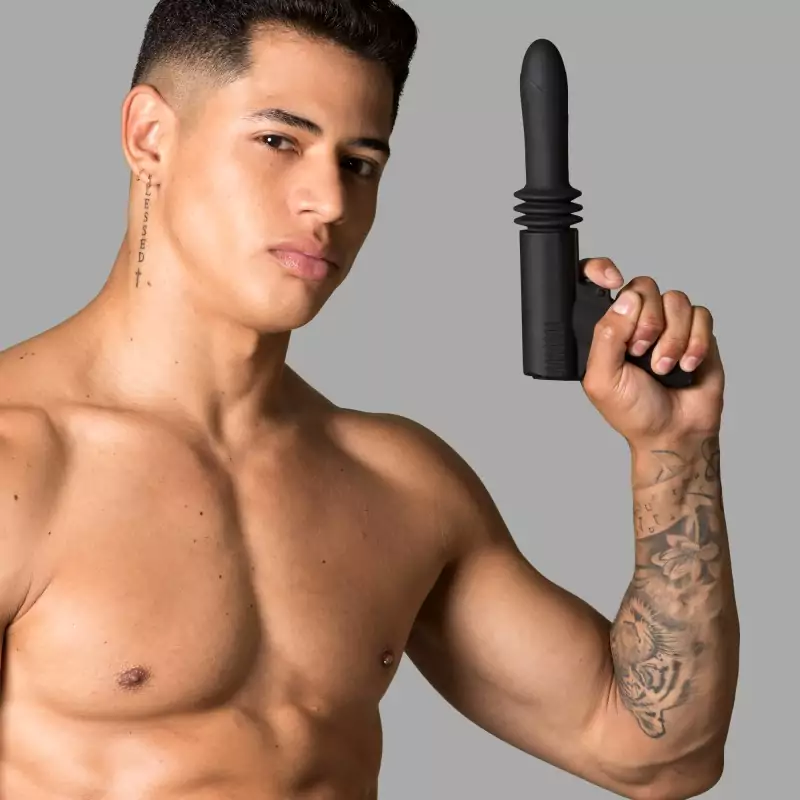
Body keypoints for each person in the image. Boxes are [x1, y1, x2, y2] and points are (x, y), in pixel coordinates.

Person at [0, 1, 739, 798]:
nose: (329, 201)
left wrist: (674, 449)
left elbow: (660, 754)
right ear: (150, 136)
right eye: (279, 141)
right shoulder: (20, 467)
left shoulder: (398, 483)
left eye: (359, 163)